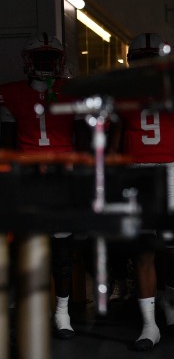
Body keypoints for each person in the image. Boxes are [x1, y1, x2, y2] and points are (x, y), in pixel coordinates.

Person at [107, 32, 174, 351]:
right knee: (143, 250)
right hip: (136, 174)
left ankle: (171, 299)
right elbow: (114, 146)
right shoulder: (123, 95)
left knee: (171, 247)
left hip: (170, 172)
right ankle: (149, 324)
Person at [0, 32, 89, 340]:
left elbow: (83, 141)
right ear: (29, 60)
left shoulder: (72, 91)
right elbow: (6, 144)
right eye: (42, 58)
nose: (48, 63)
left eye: (52, 58)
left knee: (62, 251)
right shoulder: (11, 94)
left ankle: (62, 314)